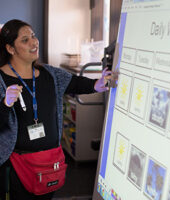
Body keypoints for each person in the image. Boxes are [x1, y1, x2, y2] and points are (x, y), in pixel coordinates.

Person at [0, 19, 112, 200]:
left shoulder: (50, 74)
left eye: (33, 36)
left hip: (50, 164)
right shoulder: (2, 80)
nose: (34, 42)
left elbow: (75, 82)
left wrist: (96, 84)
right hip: (17, 167)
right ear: (10, 49)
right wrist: (5, 104)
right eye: (25, 40)